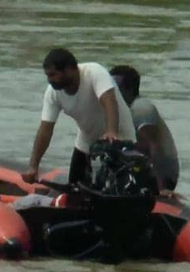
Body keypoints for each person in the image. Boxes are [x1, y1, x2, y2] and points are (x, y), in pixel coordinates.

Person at [22, 48, 136, 186]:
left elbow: (108, 101)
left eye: (53, 75)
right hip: (86, 142)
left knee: (115, 189)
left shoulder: (94, 72)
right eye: (47, 76)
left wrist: (111, 131)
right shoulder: (53, 93)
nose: (50, 80)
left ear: (70, 69)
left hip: (119, 139)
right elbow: (45, 130)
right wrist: (33, 166)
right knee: (74, 186)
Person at [110, 65, 182, 199]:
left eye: (115, 88)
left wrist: (162, 188)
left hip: (164, 174)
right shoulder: (118, 109)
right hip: (135, 164)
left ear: (129, 89)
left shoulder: (141, 109)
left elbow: (154, 147)